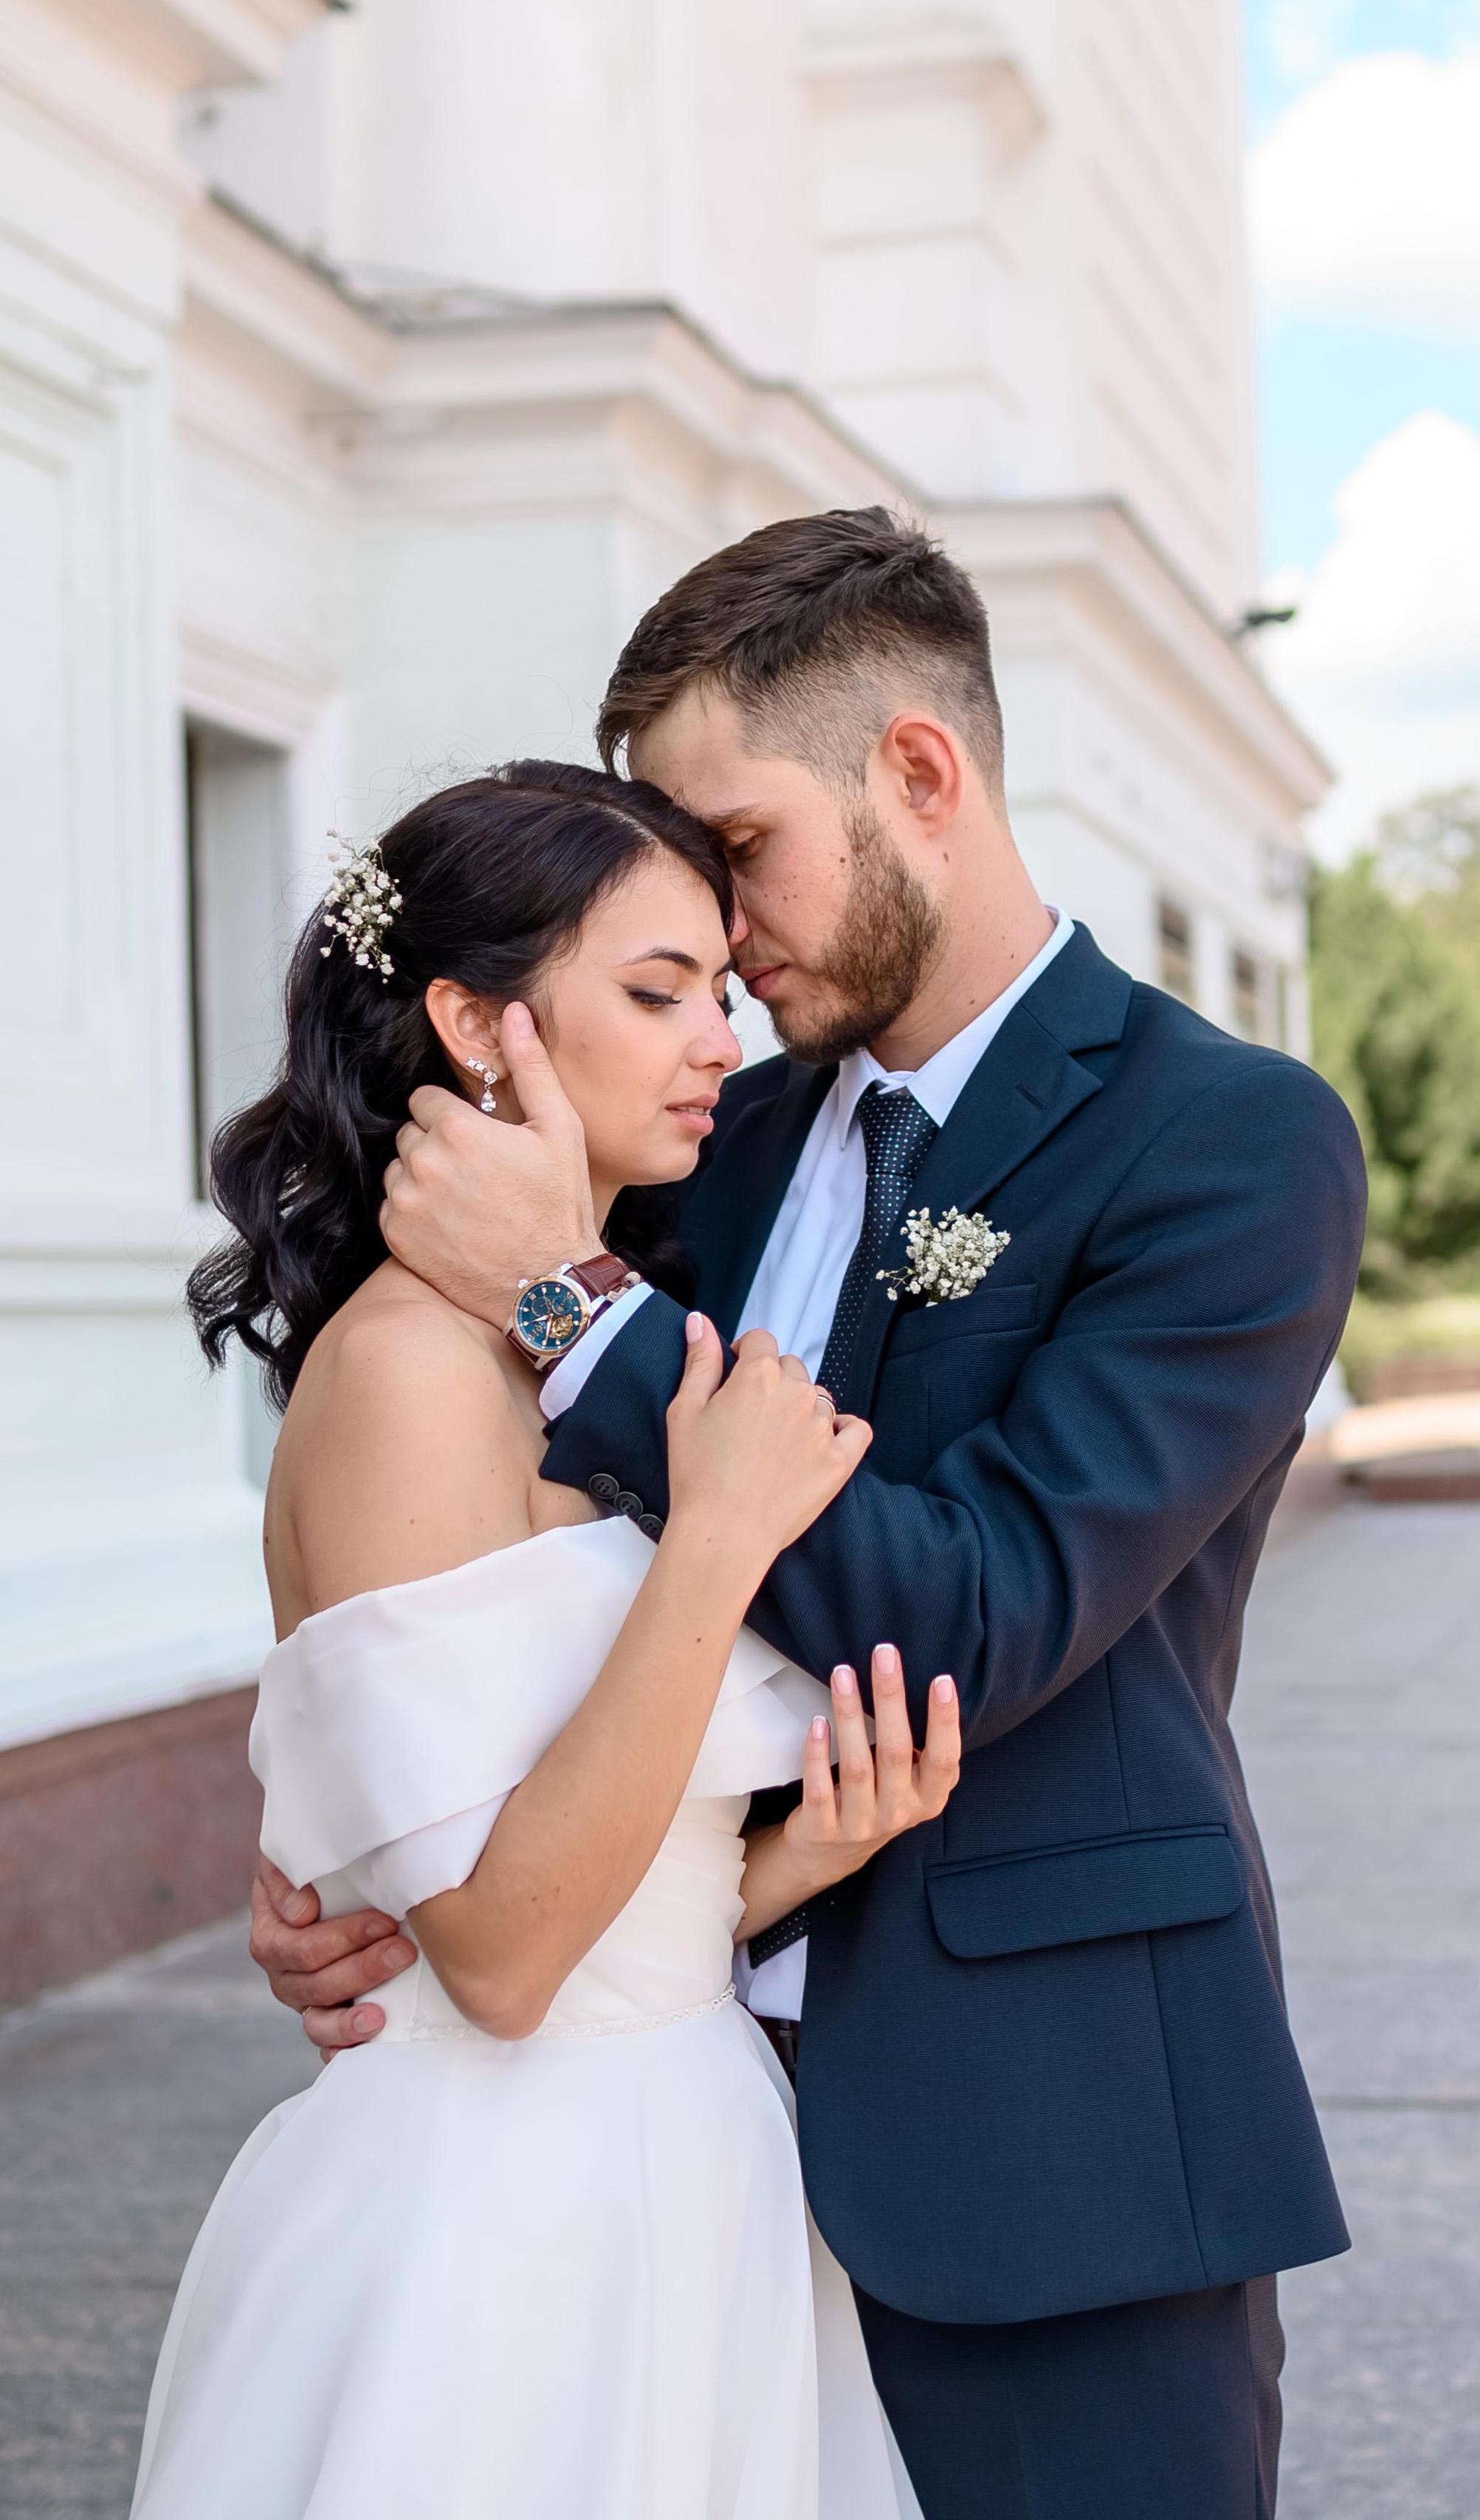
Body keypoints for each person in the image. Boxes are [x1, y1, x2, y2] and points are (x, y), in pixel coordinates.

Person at [255, 508, 1369, 2520]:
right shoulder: (718, 1133)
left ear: (918, 776)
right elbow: (503, 1572)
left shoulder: (1227, 1142)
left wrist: (573, 1311)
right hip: (648, 2150)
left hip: (1050, 2152)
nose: (721, 937)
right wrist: (371, 1842)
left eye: (740, 849)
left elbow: (983, 1613)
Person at [139, 762, 957, 2519]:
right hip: (501, 2225)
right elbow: (498, 1970)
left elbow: (594, 1923)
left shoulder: (561, 1350)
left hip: (694, 2161)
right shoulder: (412, 1377)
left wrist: (799, 1851)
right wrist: (716, 1541)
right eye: (654, 992)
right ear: (474, 1022)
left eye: (719, 996)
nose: (716, 1041)